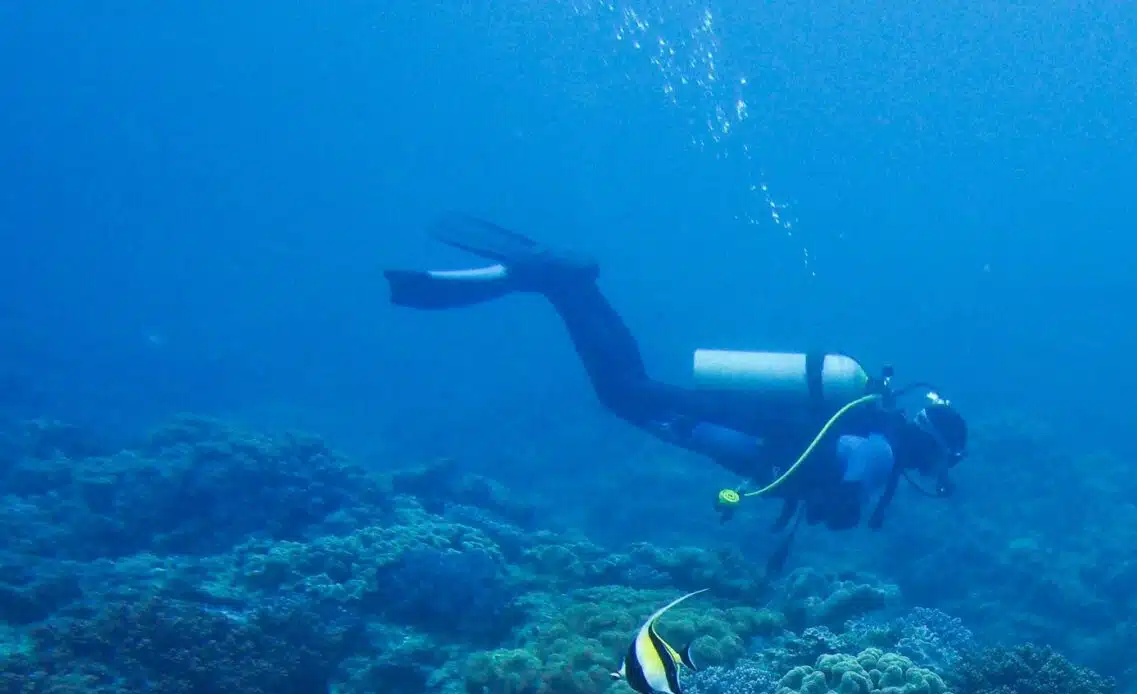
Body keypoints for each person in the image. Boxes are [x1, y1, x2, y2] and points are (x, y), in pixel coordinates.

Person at [384, 215, 967, 558]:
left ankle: (567, 288)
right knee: (624, 392)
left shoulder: (876, 432)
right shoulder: (881, 450)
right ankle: (568, 286)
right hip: (721, 427)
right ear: (935, 448)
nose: (942, 476)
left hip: (730, 423)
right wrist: (844, 507)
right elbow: (829, 501)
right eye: (947, 464)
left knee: (632, 387)